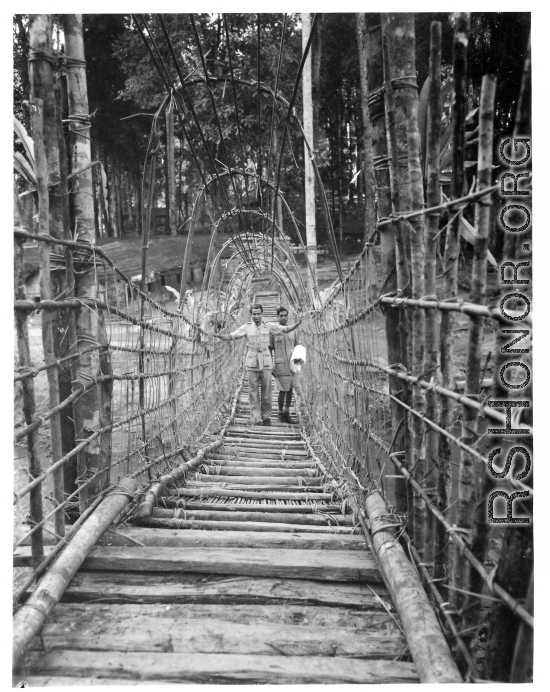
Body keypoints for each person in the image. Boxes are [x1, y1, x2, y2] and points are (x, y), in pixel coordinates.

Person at [214, 304, 301, 426]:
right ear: (251, 315)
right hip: (252, 363)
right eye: (254, 314)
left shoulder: (269, 326)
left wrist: (296, 325)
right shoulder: (246, 328)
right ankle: (255, 418)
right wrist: (219, 336)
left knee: (267, 392)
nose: (256, 316)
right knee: (253, 392)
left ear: (262, 314)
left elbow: (284, 329)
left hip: (266, 363)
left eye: (258, 313)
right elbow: (232, 336)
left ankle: (266, 417)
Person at [268, 307, 303, 424]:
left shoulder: (294, 330)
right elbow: (269, 348)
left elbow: (297, 346)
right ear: (277, 317)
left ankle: (287, 413)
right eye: (281, 315)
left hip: (292, 365)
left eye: (285, 315)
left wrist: (298, 361)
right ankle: (280, 414)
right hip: (280, 365)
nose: (283, 317)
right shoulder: (273, 331)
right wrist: (271, 365)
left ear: (288, 316)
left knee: (290, 389)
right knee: (282, 391)